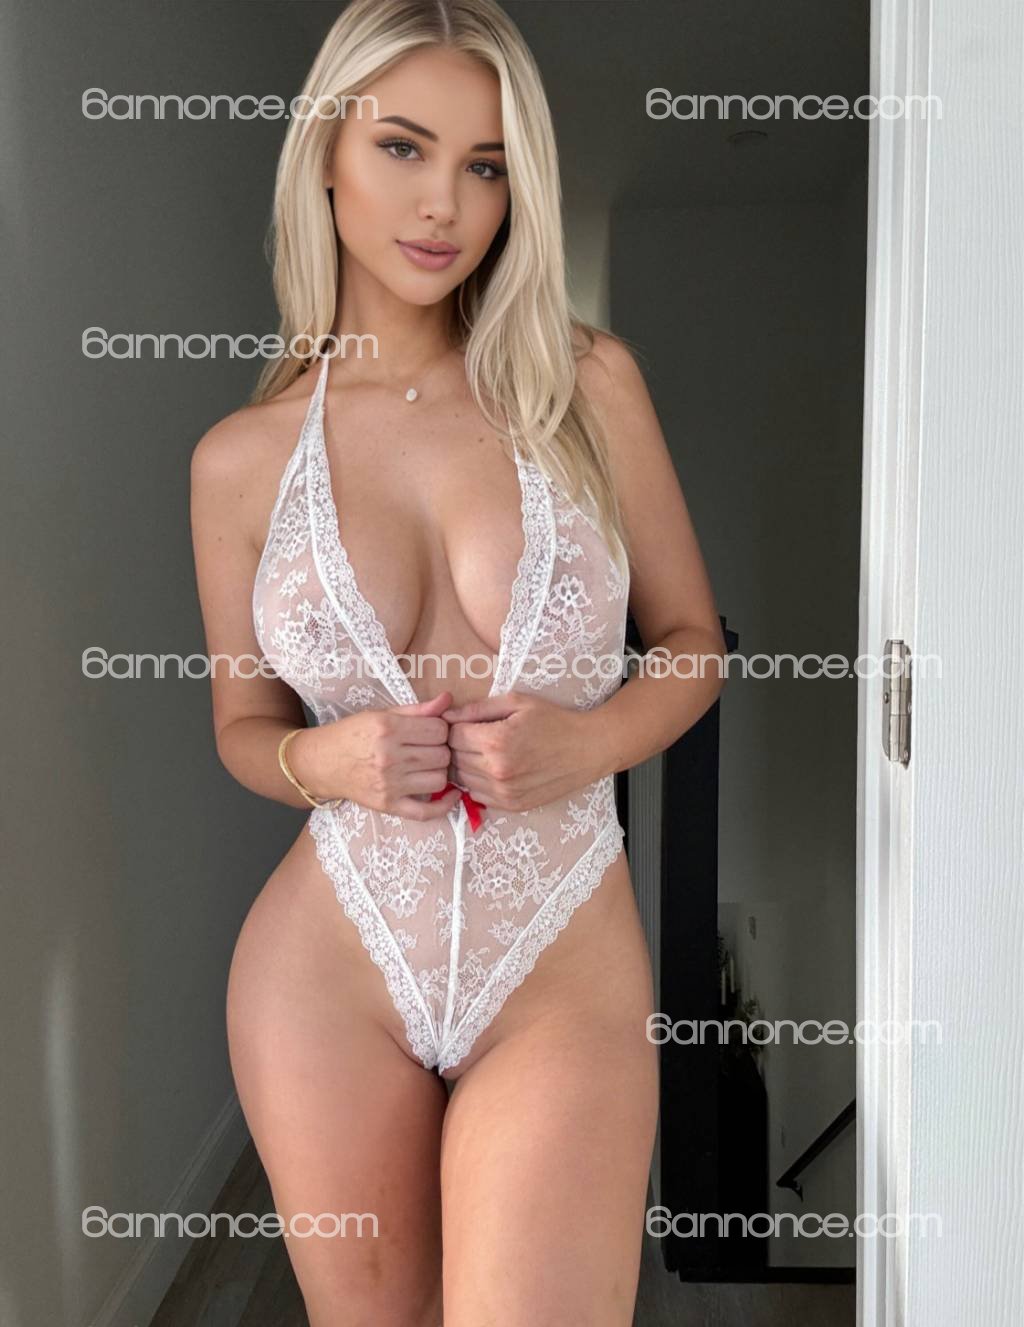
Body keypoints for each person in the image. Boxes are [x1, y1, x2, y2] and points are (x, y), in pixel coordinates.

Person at [189, 1, 725, 1322]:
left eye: (486, 165)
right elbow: (243, 728)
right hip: (330, 965)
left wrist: (588, 743)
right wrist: (329, 760)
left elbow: (693, 646)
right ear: (325, 153)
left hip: (560, 955)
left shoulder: (586, 387)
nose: (445, 204)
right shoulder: (240, 461)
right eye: (404, 148)